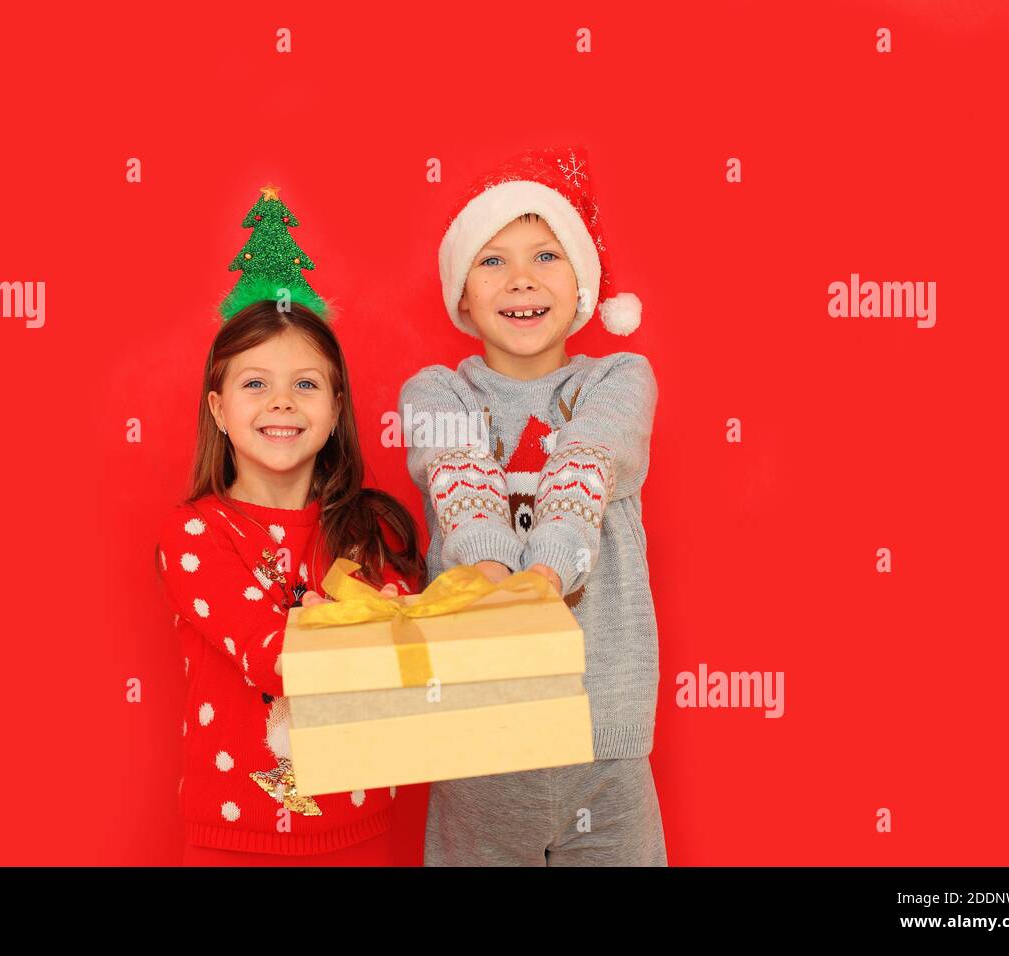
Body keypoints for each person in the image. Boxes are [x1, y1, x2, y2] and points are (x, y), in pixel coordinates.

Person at [400, 145, 667, 865]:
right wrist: (494, 575)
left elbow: (588, 465)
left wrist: (543, 577)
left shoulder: (620, 377)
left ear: (582, 284)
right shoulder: (436, 394)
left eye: (546, 255)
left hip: (601, 736)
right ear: (461, 294)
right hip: (483, 735)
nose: (520, 279)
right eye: (492, 261)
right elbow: (464, 490)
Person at [157, 299, 425, 865]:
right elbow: (274, 654)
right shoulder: (196, 534)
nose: (281, 401)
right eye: (255, 383)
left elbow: (411, 658)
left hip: (360, 834)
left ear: (334, 412)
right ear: (219, 409)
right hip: (233, 842)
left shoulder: (371, 531)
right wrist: (380, 633)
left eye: (305, 384)